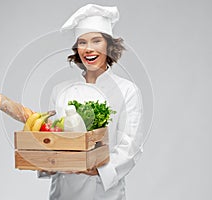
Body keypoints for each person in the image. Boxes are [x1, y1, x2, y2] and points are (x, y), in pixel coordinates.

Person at [39, 4, 144, 200]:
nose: (89, 49)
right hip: (64, 192)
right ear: (76, 49)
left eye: (96, 41)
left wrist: (98, 170)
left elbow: (131, 145)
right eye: (82, 42)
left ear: (109, 46)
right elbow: (52, 140)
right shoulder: (60, 90)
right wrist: (47, 161)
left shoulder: (127, 91)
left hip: (104, 193)